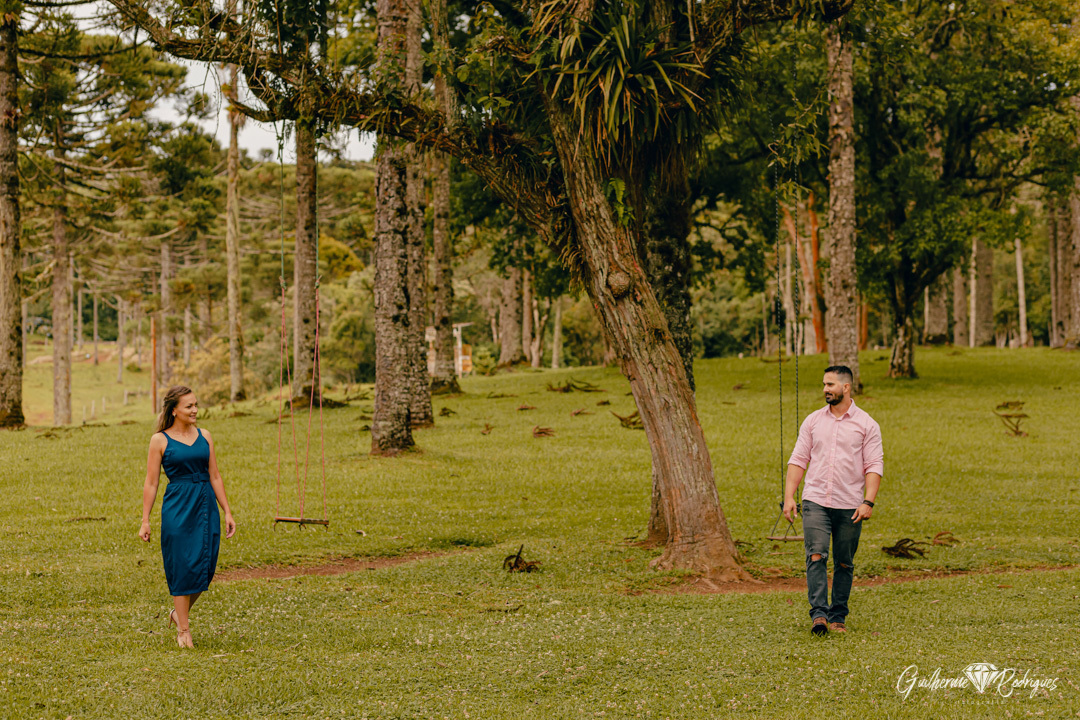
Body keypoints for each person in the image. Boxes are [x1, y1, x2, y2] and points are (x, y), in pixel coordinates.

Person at [782, 366, 882, 636]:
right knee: (816, 555)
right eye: (824, 384)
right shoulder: (813, 421)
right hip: (815, 500)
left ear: (846, 387)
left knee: (844, 562)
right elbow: (798, 459)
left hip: (850, 503)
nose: (825, 389)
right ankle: (819, 616)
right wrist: (789, 496)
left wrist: (868, 502)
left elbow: (874, 465)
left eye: (830, 384)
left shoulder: (867, 424)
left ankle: (838, 615)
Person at [139, 385, 236, 648]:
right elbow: (151, 483)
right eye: (189, 406)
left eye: (195, 405)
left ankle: (176, 613)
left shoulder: (205, 435)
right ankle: (184, 630)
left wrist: (227, 510)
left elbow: (215, 475)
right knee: (182, 565)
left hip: (205, 504)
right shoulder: (159, 440)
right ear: (174, 410)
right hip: (177, 506)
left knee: (205, 567)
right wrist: (145, 519)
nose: (195, 410)